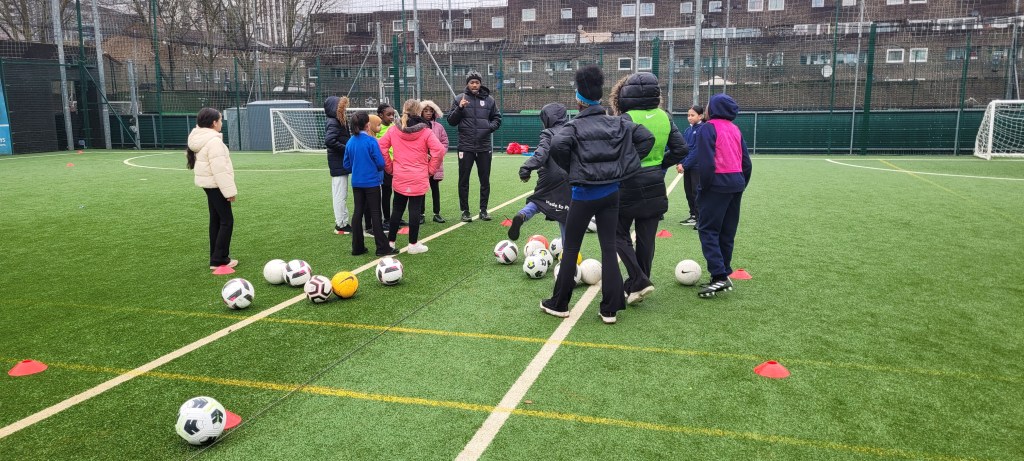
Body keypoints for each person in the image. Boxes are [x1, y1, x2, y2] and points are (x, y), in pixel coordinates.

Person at [542, 65, 654, 325]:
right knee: (608, 249)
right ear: (599, 97)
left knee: (571, 248)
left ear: (579, 99)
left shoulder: (573, 127)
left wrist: (573, 169)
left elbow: (557, 145)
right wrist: (623, 167)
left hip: (583, 195)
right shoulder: (617, 122)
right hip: (611, 194)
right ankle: (610, 309)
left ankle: (559, 303)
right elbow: (646, 138)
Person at [607, 72, 688, 305]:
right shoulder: (665, 117)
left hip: (628, 182)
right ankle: (638, 284)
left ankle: (639, 280)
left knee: (617, 233)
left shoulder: (625, 118)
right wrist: (660, 164)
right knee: (646, 238)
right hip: (655, 182)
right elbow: (681, 149)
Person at [693, 94, 752, 298]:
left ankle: (719, 276)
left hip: (717, 184)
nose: (706, 108)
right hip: (736, 183)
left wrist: (704, 187)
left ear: (714, 109)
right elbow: (746, 163)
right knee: (727, 231)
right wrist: (741, 183)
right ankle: (723, 272)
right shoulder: (735, 129)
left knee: (708, 229)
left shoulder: (707, 128)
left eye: (708, 105)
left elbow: (707, 163)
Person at [378, 99, 444, 254]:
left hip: (400, 175)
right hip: (418, 175)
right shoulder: (426, 131)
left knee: (397, 209)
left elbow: (381, 147)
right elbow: (439, 150)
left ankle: (391, 242)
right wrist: (430, 170)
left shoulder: (394, 130)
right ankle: (413, 244)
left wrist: (390, 167)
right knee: (415, 209)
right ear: (419, 111)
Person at [509, 102, 571, 242]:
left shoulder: (548, 133)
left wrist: (526, 168)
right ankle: (568, 248)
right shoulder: (572, 130)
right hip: (569, 176)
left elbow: (541, 155)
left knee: (539, 199)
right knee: (566, 211)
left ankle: (522, 215)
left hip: (549, 176)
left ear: (549, 118)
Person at [446, 71, 502, 222]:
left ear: (480, 84)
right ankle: (465, 211)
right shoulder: (459, 99)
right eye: (472, 82)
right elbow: (451, 121)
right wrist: (460, 108)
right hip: (466, 147)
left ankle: (483, 210)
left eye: (477, 82)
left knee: (485, 180)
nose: (475, 85)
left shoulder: (489, 100)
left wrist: (489, 128)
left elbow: (497, 118)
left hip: (484, 147)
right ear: (467, 84)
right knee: (464, 180)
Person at [186, 107, 238, 270]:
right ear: (214, 123)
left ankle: (215, 257)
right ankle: (219, 259)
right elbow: (220, 170)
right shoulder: (214, 141)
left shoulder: (199, 138)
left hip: (208, 184)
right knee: (227, 221)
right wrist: (229, 192)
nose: (222, 123)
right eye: (220, 120)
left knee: (216, 220)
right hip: (216, 185)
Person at [344, 111, 395, 257]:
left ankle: (357, 247)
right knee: (375, 213)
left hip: (356, 182)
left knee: (357, 212)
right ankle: (382, 247)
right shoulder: (371, 141)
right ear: (367, 125)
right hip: (371, 182)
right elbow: (380, 163)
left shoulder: (350, 142)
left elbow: (346, 164)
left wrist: (357, 168)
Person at [375, 103, 405, 231]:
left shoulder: (394, 127)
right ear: (380, 115)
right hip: (385, 165)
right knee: (387, 192)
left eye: (393, 114)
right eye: (388, 115)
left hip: (397, 163)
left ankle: (396, 217)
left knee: (399, 192)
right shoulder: (377, 129)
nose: (392, 117)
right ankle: (387, 219)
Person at [325, 96, 352, 234]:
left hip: (340, 162)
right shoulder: (334, 121)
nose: (344, 109)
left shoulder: (338, 120)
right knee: (340, 194)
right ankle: (341, 224)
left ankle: (342, 222)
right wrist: (347, 149)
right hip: (338, 162)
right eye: (342, 107)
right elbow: (329, 141)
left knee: (341, 193)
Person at [419, 100, 449, 224]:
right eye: (425, 111)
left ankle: (437, 213)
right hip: (421, 163)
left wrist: (438, 155)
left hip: (435, 163)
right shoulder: (417, 126)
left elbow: (445, 142)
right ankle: (421, 214)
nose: (428, 113)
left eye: (431, 111)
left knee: (435, 189)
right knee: (421, 190)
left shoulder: (439, 127)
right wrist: (422, 155)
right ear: (420, 112)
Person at [678, 105, 705, 226]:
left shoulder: (702, 129)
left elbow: (697, 151)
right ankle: (693, 215)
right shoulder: (688, 130)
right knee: (689, 192)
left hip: (697, 167)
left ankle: (700, 219)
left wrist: (685, 165)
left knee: (696, 192)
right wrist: (680, 162)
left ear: (700, 116)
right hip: (688, 167)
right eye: (688, 115)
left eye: (692, 115)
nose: (689, 117)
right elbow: (684, 148)